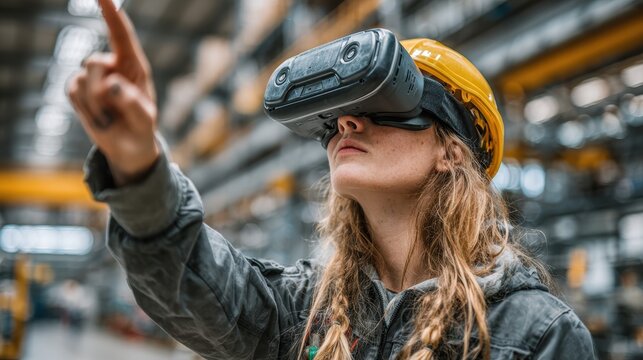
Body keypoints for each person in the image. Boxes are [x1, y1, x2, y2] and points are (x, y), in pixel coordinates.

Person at [67, 1, 596, 359]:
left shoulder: (534, 335)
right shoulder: (304, 310)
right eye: (341, 111)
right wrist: (137, 160)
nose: (347, 121)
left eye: (383, 104)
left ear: (451, 151)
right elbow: (190, 277)